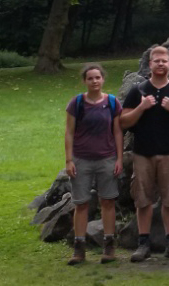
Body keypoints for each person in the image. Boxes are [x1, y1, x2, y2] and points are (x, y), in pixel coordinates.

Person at [119, 46, 169, 262]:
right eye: (156, 60)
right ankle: (143, 242)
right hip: (143, 153)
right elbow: (124, 121)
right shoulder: (137, 90)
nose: (160, 64)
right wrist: (142, 108)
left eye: (164, 61)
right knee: (142, 199)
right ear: (149, 64)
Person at [64, 64, 123, 265]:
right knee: (81, 204)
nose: (94, 81)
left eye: (98, 77)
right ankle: (79, 249)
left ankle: (109, 245)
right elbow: (69, 132)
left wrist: (119, 159)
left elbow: (117, 132)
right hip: (81, 160)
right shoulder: (77, 103)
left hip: (107, 158)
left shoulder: (113, 102)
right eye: (90, 78)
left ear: (103, 79)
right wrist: (69, 159)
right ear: (85, 81)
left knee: (108, 201)